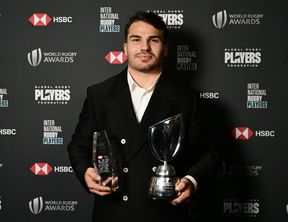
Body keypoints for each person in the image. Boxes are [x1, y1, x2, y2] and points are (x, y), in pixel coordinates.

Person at [67, 11, 221, 222]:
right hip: (113, 213)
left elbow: (209, 155)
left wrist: (191, 181)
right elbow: (78, 146)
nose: (144, 47)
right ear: (125, 47)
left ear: (166, 49)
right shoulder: (99, 95)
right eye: (136, 39)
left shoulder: (187, 99)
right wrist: (86, 172)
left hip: (165, 214)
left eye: (153, 40)